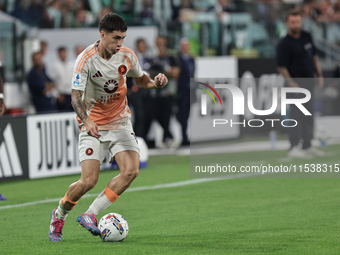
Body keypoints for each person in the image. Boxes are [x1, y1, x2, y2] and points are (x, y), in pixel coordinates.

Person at [48, 13, 168, 242]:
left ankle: (90, 214)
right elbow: (75, 97)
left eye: (123, 38)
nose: (120, 43)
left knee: (131, 171)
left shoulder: (127, 55)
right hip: (93, 124)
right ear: (102, 35)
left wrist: (155, 83)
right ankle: (59, 213)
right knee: (88, 181)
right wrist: (87, 120)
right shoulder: (86, 59)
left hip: (121, 121)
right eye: (115, 38)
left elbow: (140, 78)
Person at [277, 10, 324, 158]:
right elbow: (281, 67)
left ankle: (308, 145)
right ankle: (294, 146)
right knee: (296, 116)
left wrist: (319, 74)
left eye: (297, 21)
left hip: (308, 81)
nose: (295, 25)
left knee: (309, 114)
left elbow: (314, 57)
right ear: (287, 23)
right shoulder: (284, 43)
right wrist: (291, 82)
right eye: (292, 22)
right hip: (295, 84)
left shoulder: (307, 37)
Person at [144, 36, 179, 148]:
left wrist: (162, 70)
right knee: (155, 115)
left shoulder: (171, 58)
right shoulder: (153, 59)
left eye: (161, 43)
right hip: (156, 93)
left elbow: (175, 73)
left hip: (168, 92)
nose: (159, 46)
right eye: (158, 43)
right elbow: (148, 74)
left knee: (166, 116)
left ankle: (167, 138)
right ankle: (169, 136)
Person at [177, 38, 195, 146]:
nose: (186, 48)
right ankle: (183, 136)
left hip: (189, 91)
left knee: (187, 114)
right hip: (182, 91)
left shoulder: (191, 60)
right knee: (182, 115)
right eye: (184, 46)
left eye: (187, 46)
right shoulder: (178, 59)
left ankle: (185, 135)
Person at [50, 46, 74, 111]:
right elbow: (51, 83)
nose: (63, 55)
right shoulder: (55, 67)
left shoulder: (71, 65)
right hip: (62, 94)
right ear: (58, 54)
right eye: (61, 53)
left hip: (71, 94)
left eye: (64, 53)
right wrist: (56, 95)